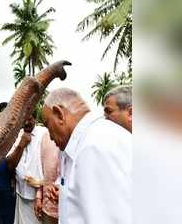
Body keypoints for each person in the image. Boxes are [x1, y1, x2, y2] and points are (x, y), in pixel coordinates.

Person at [41, 88, 132, 224]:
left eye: (48, 125)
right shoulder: (81, 144)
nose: (51, 137)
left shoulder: (94, 147)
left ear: (59, 114)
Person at [9, 111, 47, 224]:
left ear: (35, 118)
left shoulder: (44, 134)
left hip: (39, 196)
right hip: (21, 193)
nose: (26, 123)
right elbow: (10, 165)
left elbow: (53, 166)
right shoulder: (17, 135)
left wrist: (40, 184)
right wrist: (21, 144)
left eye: (29, 119)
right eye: (23, 119)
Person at [24, 132, 60, 224]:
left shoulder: (77, 139)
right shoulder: (45, 137)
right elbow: (41, 171)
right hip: (47, 208)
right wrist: (39, 197)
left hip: (68, 211)